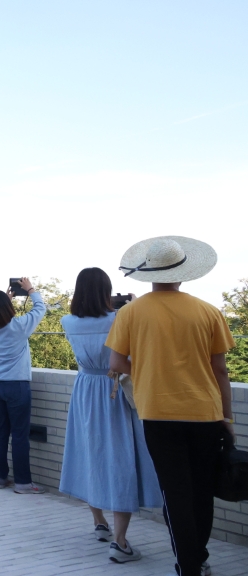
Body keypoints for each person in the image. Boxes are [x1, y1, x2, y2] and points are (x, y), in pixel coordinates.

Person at [107, 236, 235, 576]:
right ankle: (199, 557)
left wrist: (150, 371)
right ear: (183, 272)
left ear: (149, 273)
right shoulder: (208, 311)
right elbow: (220, 370)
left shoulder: (130, 313)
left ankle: (188, 565)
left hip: (158, 413)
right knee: (202, 490)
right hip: (206, 413)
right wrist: (227, 417)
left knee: (174, 491)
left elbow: (116, 364)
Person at [59, 268, 161, 564]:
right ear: (106, 291)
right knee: (120, 460)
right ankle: (120, 540)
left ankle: (99, 523)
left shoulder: (68, 321)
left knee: (90, 454)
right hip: (114, 388)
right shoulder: (120, 317)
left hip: (85, 389)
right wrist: (133, 304)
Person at [0, 277, 46, 494]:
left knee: (0, 433)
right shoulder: (19, 326)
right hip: (17, 386)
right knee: (19, 435)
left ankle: (0, 478)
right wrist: (30, 289)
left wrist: (5, 300)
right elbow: (40, 309)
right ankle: (23, 483)